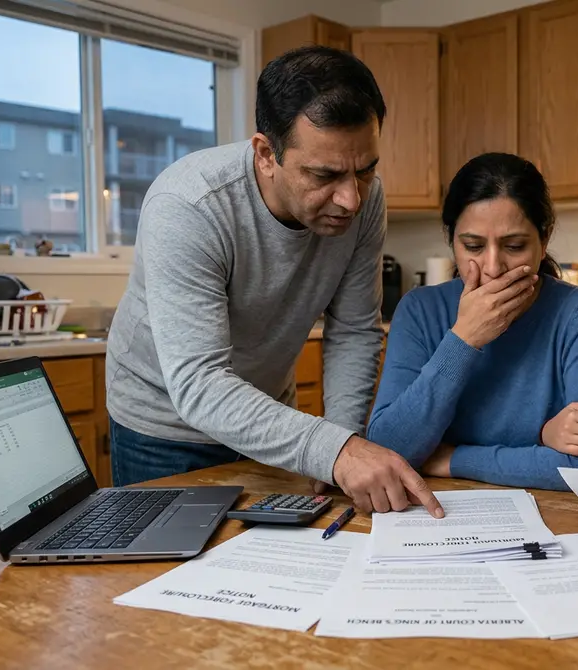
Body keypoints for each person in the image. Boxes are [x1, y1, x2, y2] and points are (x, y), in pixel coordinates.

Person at [106, 46, 442, 518]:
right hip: (165, 426)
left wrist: (336, 448)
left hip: (268, 418)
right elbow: (199, 382)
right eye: (324, 175)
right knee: (168, 581)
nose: (350, 198)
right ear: (266, 154)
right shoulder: (189, 206)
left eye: (365, 170)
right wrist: (335, 448)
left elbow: (353, 331)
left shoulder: (367, 199)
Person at [366, 153, 578, 490]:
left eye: (514, 246)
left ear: (543, 242)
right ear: (451, 241)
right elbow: (387, 451)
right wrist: (463, 340)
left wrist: (450, 459)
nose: (492, 266)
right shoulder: (420, 310)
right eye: (472, 245)